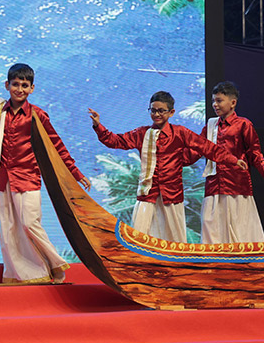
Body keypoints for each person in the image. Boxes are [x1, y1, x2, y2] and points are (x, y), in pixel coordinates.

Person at [0, 54, 91, 284]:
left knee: (30, 223)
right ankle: (24, 275)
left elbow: (56, 146)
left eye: (24, 85)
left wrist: (76, 173)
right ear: (7, 85)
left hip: (28, 178)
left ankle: (55, 264)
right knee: (9, 229)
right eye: (15, 84)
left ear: (31, 88)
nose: (19, 89)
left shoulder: (37, 115)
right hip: (3, 178)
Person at [88, 91, 248, 243]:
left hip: (171, 195)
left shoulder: (180, 133)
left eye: (161, 111)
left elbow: (207, 147)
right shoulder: (142, 133)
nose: (156, 114)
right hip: (148, 193)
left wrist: (232, 160)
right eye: (153, 110)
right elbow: (116, 141)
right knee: (139, 236)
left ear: (171, 112)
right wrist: (98, 126)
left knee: (175, 240)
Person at [185, 81, 264, 244]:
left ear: (233, 102)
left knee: (240, 234)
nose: (215, 104)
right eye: (213, 101)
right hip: (214, 186)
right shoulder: (211, 126)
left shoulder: (243, 124)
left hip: (237, 187)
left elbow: (255, 153)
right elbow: (196, 151)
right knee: (212, 233)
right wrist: (171, 159)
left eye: (219, 100)